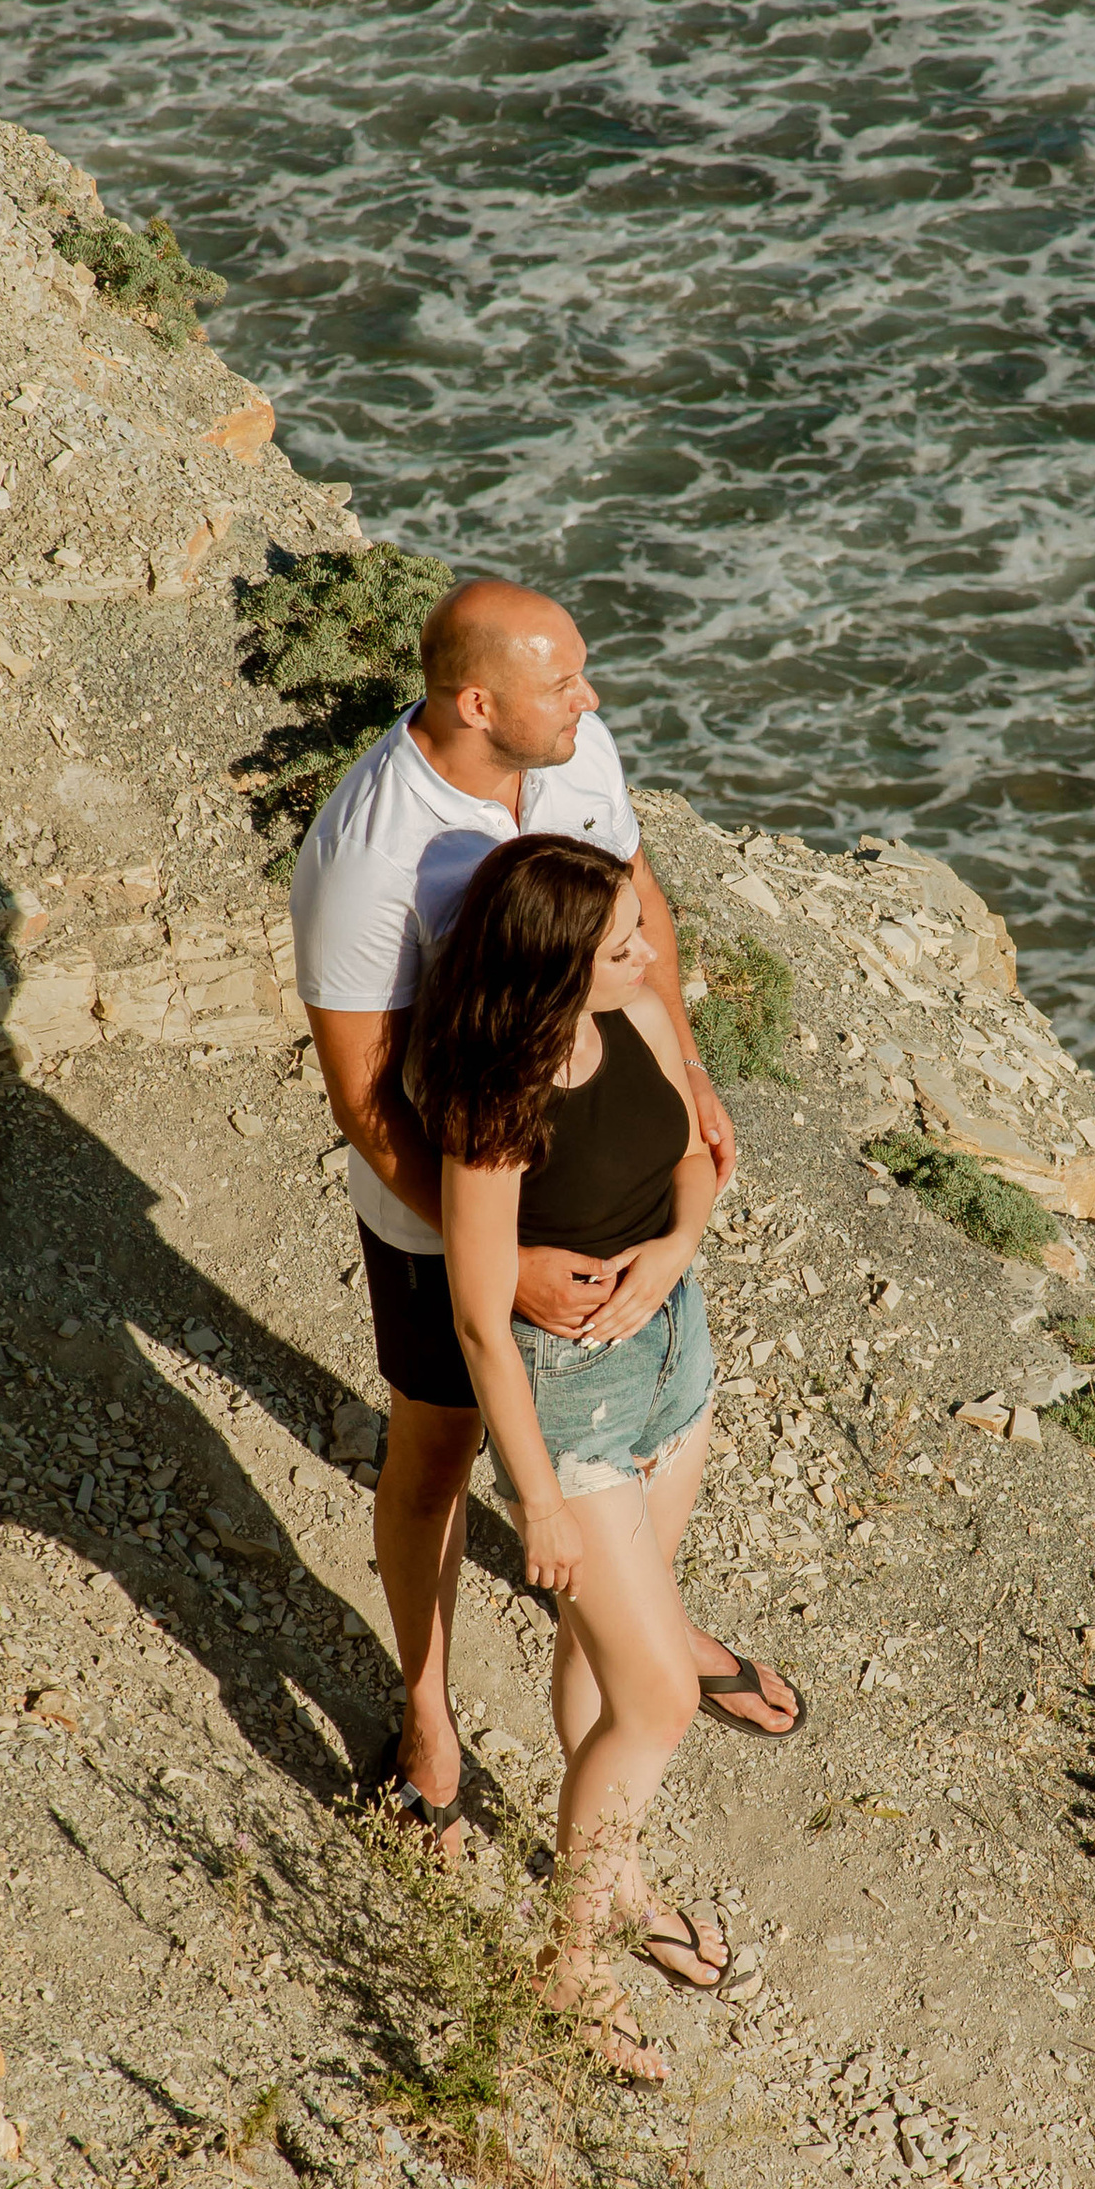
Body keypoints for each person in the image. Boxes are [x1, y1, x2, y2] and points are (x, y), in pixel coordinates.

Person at [291, 576, 801, 1833]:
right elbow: (364, 1094)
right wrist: (497, 1257)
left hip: (594, 1166)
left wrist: (686, 1073)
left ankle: (644, 1625)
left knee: (619, 1420)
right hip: (445, 1210)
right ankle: (427, 1709)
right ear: (479, 703)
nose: (592, 698)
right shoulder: (371, 854)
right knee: (437, 1453)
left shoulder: (569, 746)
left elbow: (638, 909)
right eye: (562, 681)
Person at [414, 833, 730, 2077]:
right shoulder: (495, 1100)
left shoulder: (642, 1002)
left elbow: (698, 1158)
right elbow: (482, 1322)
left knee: (601, 1665)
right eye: (619, 941)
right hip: (572, 1404)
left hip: (671, 1350)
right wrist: (534, 1496)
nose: (649, 950)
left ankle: (614, 1876)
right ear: (556, 967)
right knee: (660, 1694)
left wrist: (671, 1254)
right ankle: (570, 1964)